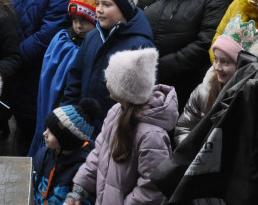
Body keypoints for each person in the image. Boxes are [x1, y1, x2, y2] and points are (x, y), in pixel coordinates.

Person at [4, 0, 77, 149]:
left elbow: (50, 31)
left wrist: (15, 56)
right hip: (12, 67)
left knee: (27, 131)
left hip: (34, 70)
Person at [66, 48, 177, 205]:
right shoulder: (115, 112)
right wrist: (80, 188)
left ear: (125, 89)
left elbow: (152, 186)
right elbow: (98, 153)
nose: (107, 81)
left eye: (111, 78)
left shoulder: (152, 135)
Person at [60, 0, 154, 119]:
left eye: (107, 4)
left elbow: (140, 101)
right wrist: (67, 114)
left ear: (125, 8)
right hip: (83, 122)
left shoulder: (140, 46)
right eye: (97, 4)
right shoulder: (92, 37)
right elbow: (75, 78)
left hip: (113, 128)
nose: (99, 10)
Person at [174, 15, 258, 145]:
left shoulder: (251, 98)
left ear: (242, 66)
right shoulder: (204, 91)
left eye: (225, 62)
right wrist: (194, 152)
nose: (217, 67)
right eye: (216, 59)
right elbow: (184, 127)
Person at [30, 0, 98, 157]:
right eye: (74, 20)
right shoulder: (62, 40)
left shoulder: (94, 45)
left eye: (84, 21)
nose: (78, 26)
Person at [32, 100, 97, 205]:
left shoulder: (82, 169)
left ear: (67, 140)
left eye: (51, 132)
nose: (45, 133)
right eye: (46, 128)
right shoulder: (43, 154)